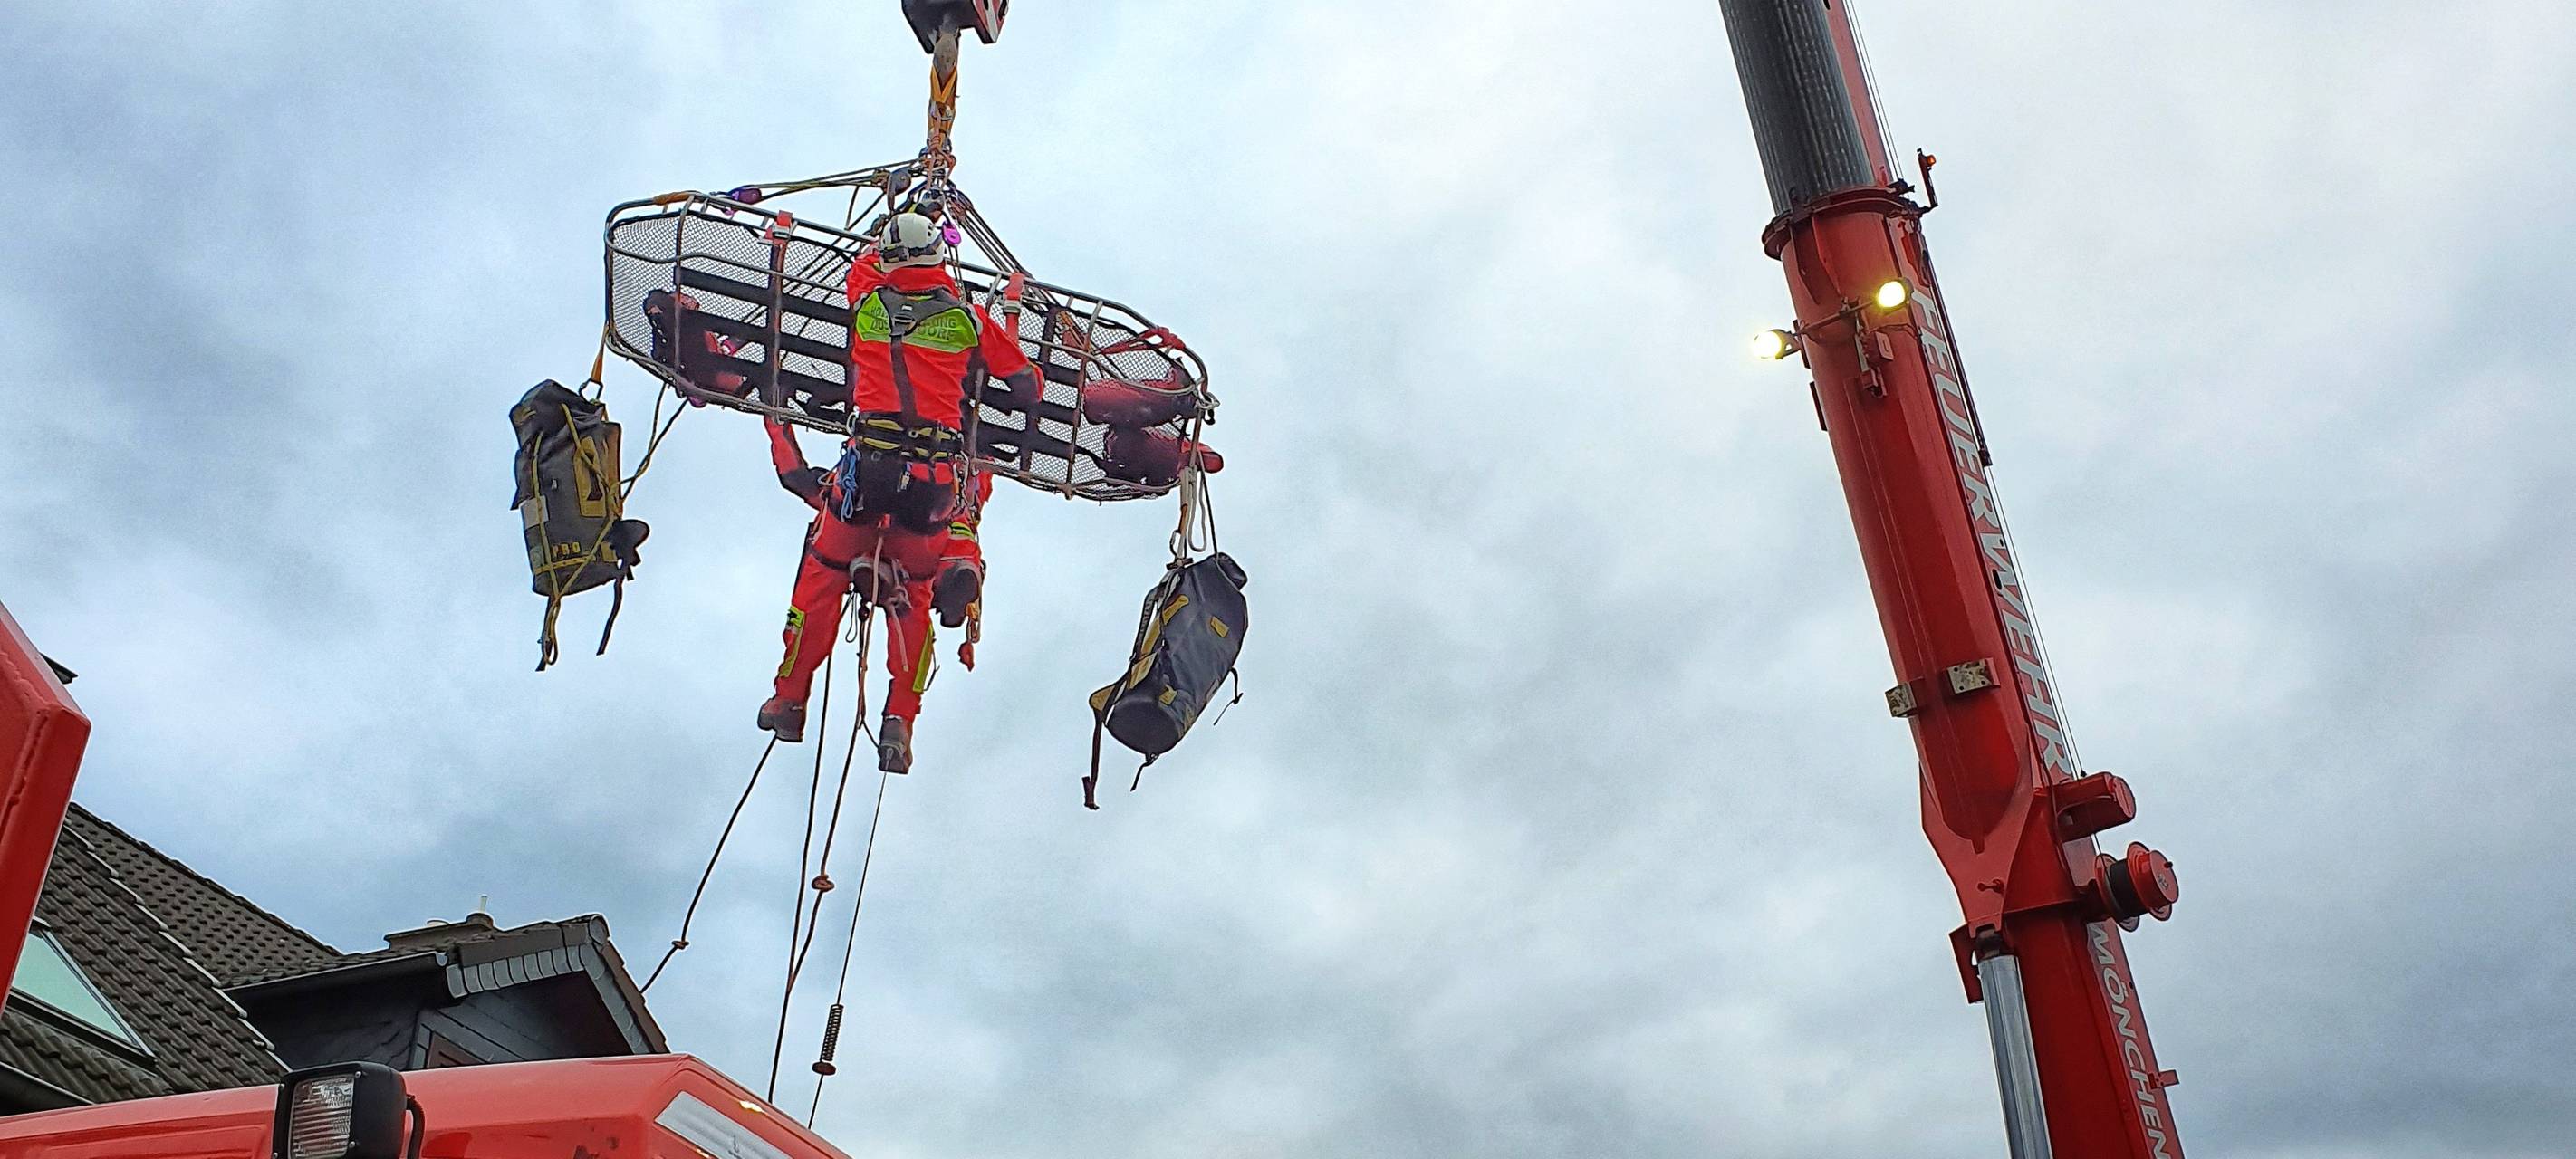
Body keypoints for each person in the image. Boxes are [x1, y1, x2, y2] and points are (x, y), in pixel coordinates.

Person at [757, 210, 1038, 773]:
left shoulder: (867, 303)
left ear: (886, 261)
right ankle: (898, 724)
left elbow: (864, 269)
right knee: (913, 591)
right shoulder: (969, 319)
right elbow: (1027, 387)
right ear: (939, 257)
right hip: (932, 485)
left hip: (871, 470)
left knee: (822, 574)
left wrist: (902, 214)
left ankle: (790, 700)